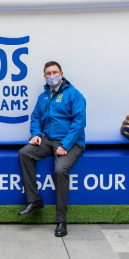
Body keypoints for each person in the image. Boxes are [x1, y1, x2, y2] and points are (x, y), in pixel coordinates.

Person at [18, 61, 86, 237]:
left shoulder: (73, 94)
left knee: (60, 170)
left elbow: (80, 122)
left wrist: (65, 145)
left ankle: (61, 221)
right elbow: (35, 117)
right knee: (25, 153)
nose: (51, 76)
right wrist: (35, 133)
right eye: (48, 73)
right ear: (44, 76)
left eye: (54, 72)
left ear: (62, 74)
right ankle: (34, 201)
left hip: (71, 142)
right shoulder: (43, 97)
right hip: (48, 141)